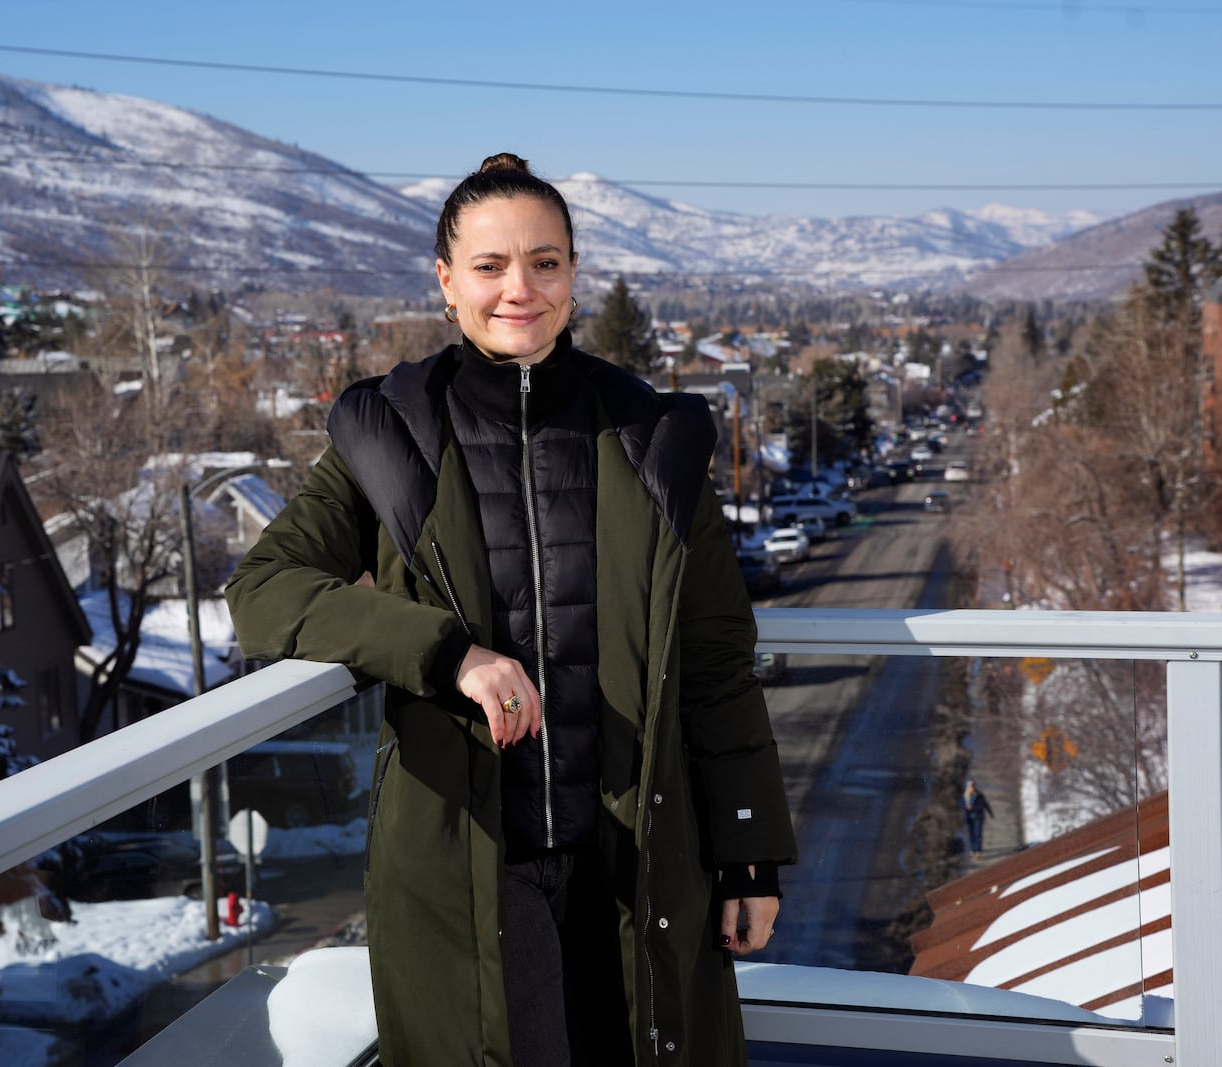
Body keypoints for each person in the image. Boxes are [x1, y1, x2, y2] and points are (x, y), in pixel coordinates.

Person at [226, 152, 796, 1067]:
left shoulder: (653, 439)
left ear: (574, 276)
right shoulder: (391, 436)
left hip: (638, 856)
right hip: (466, 866)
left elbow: (717, 658)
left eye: (545, 262)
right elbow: (262, 592)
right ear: (446, 283)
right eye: (489, 267)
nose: (518, 289)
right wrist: (449, 653)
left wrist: (750, 853)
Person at [962, 779, 994, 853]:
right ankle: (973, 849)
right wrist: (965, 809)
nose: (971, 788)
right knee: (971, 834)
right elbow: (961, 806)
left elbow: (984, 804)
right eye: (969, 786)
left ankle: (978, 850)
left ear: (974, 787)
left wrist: (990, 813)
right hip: (969, 818)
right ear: (967, 787)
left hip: (978, 817)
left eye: (972, 786)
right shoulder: (964, 796)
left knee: (978, 834)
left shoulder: (979, 795)